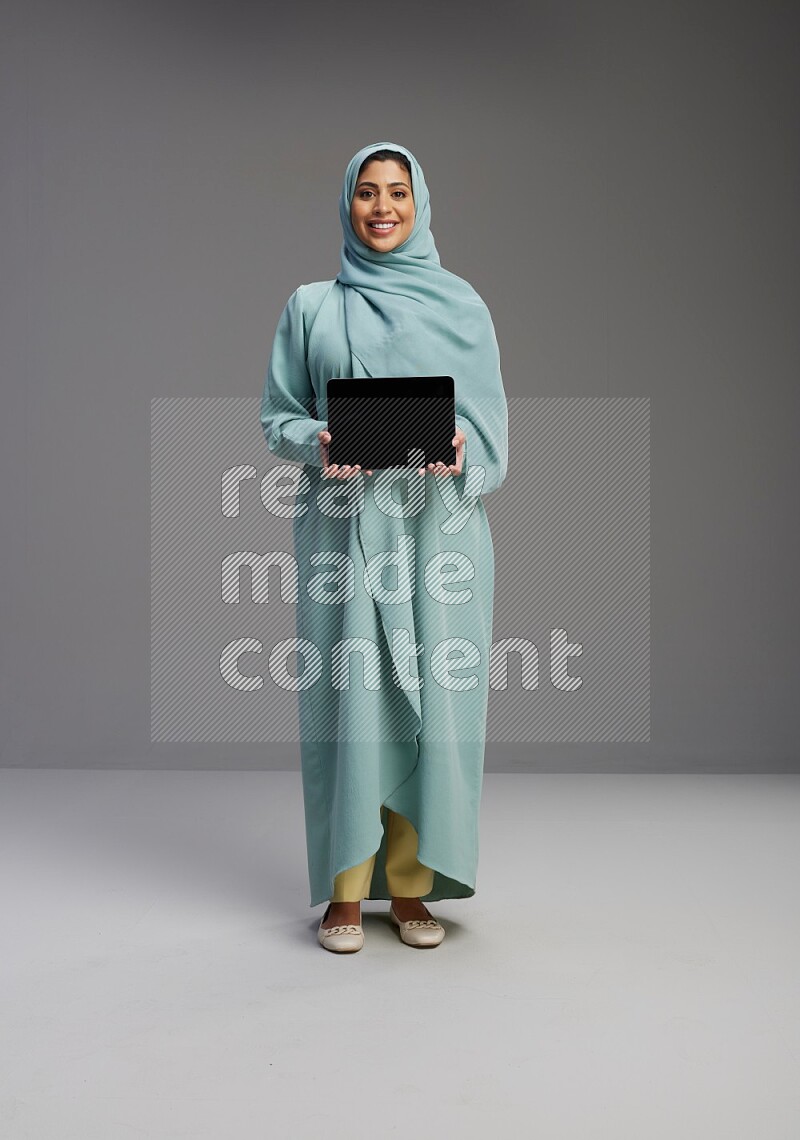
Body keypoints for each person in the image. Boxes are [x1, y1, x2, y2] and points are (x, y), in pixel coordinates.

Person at [260, 141, 508, 953]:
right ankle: (343, 889)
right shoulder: (309, 307)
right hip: (343, 533)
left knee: (429, 708)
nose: (382, 208)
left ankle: (409, 890)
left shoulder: (462, 305)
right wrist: (322, 439)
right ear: (347, 203)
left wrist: (462, 448)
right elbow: (277, 419)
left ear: (420, 202)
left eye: (397, 192)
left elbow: (490, 433)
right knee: (349, 707)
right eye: (367, 193)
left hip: (436, 535)